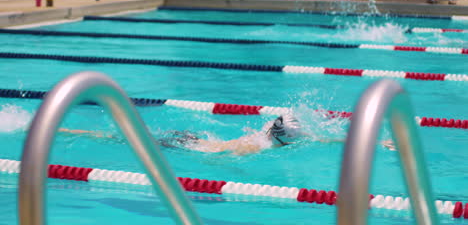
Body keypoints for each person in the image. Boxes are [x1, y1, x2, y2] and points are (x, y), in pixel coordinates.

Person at [59, 114, 396, 155]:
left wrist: (374, 141)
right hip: (186, 146)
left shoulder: (267, 136)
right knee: (113, 138)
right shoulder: (257, 145)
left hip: (192, 137)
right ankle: (64, 129)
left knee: (125, 135)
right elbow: (227, 158)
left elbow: (321, 140)